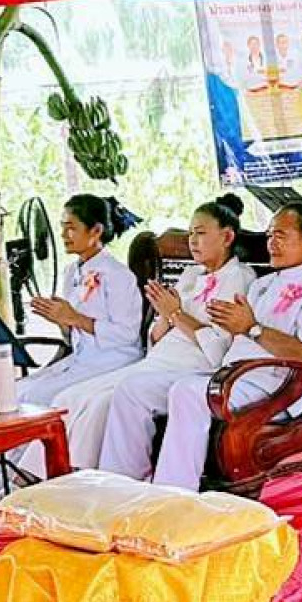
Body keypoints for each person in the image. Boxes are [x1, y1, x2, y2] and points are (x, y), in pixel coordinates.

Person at [95, 204, 302, 489]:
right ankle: (121, 484)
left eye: (280, 235)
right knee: (133, 388)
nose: (271, 243)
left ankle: (173, 492)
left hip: (272, 383)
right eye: (268, 236)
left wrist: (252, 328)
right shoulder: (264, 284)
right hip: (228, 373)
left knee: (188, 392)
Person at [0, 192, 145, 506]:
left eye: (71, 227)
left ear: (96, 231)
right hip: (82, 358)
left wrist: (74, 318)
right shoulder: (73, 272)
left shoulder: (119, 276)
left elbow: (126, 337)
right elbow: (74, 335)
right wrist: (62, 321)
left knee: (39, 399)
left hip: (114, 361)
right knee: (16, 392)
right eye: (62, 226)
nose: (63, 235)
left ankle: (12, 486)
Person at [67, 195, 257, 468]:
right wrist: (165, 312)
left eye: (201, 233)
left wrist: (176, 314)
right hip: (160, 360)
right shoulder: (191, 274)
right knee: (75, 396)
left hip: (194, 367)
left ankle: (114, 478)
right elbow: (157, 337)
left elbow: (219, 350)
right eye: (191, 233)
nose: (192, 241)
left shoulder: (240, 279)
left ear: (227, 237)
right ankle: (58, 476)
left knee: (102, 403)